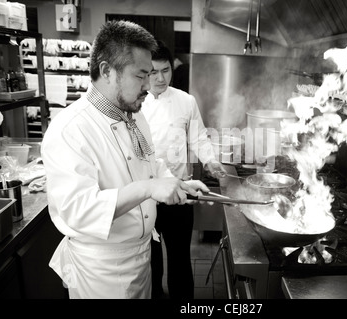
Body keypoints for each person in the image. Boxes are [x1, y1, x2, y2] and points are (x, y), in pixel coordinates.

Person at [40, 20, 210, 299]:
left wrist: (176, 183)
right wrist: (147, 189)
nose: (149, 85)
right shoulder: (70, 129)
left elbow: (151, 164)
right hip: (102, 272)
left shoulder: (134, 115)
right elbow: (77, 210)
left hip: (140, 258)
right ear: (107, 71)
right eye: (141, 75)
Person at [141, 41, 226, 300]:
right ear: (144, 72)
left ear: (172, 68)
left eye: (165, 70)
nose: (160, 78)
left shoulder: (185, 101)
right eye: (152, 72)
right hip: (147, 195)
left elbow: (198, 137)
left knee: (179, 257)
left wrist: (210, 160)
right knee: (150, 259)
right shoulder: (136, 103)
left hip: (180, 191)